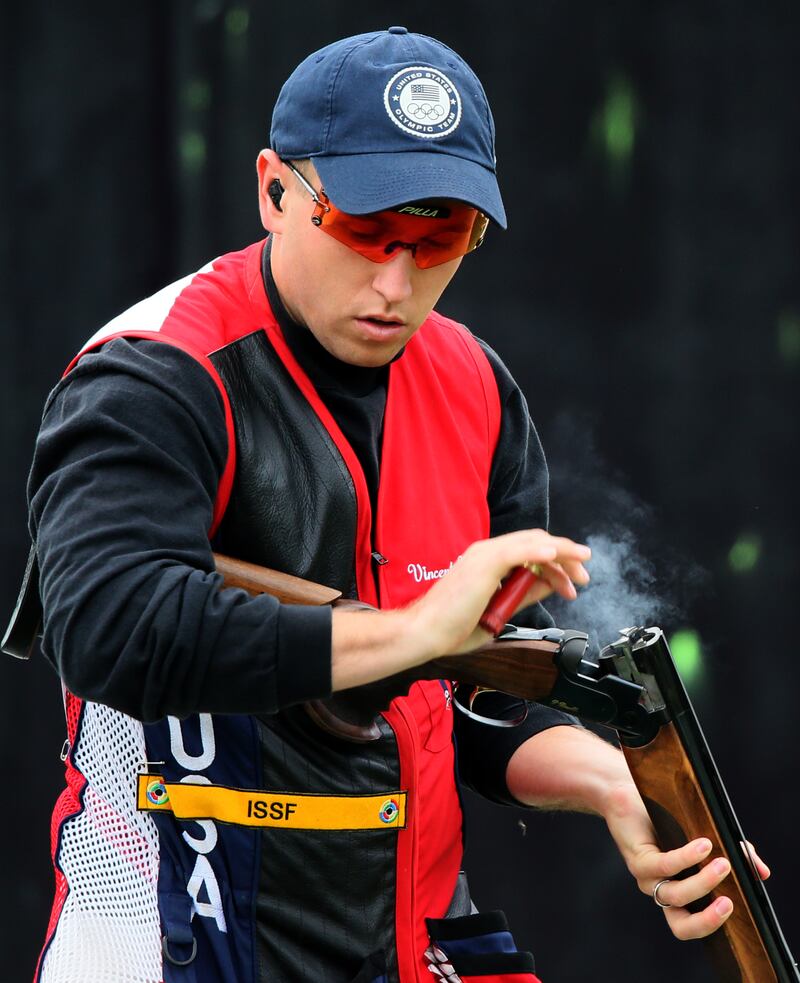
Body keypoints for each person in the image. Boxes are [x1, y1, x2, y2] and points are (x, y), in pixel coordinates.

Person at [22, 26, 766, 983]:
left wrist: (616, 784)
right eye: (366, 233)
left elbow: (486, 705)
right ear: (273, 191)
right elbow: (110, 627)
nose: (395, 282)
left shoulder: (479, 390)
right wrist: (415, 634)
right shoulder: (152, 372)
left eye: (438, 240)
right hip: (168, 935)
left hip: (406, 941)